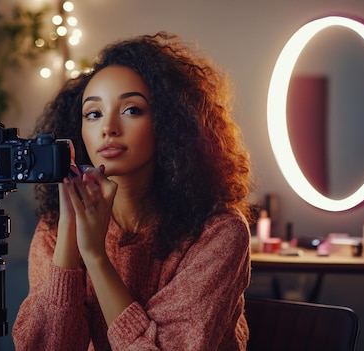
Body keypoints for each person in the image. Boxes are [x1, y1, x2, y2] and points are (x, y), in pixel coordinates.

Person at [13, 31, 255, 350]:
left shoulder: (218, 232)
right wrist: (70, 235)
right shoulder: (54, 229)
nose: (108, 128)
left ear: (170, 124)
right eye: (93, 113)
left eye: (131, 110)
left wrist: (96, 257)